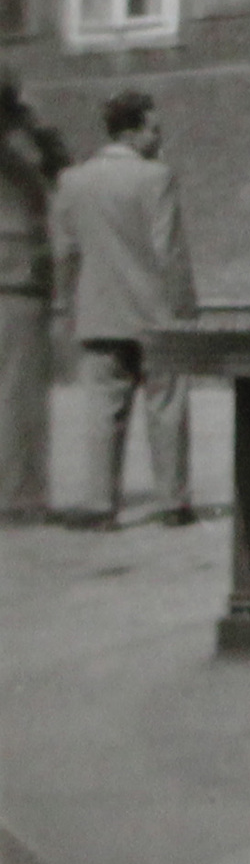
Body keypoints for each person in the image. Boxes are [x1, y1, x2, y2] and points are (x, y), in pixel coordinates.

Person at [49, 88, 198, 530]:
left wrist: (67, 305)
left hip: (99, 314)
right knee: (166, 406)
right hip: (156, 317)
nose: (159, 138)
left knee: (102, 410)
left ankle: (100, 505)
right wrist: (186, 311)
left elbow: (65, 251)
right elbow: (168, 250)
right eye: (154, 129)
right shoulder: (156, 177)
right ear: (132, 132)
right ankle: (172, 502)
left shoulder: (73, 181)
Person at [1, 70, 69, 524]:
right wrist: (34, 122)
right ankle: (18, 499)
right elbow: (63, 167)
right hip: (18, 282)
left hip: (19, 279)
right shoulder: (21, 168)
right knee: (19, 398)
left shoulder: (19, 167)